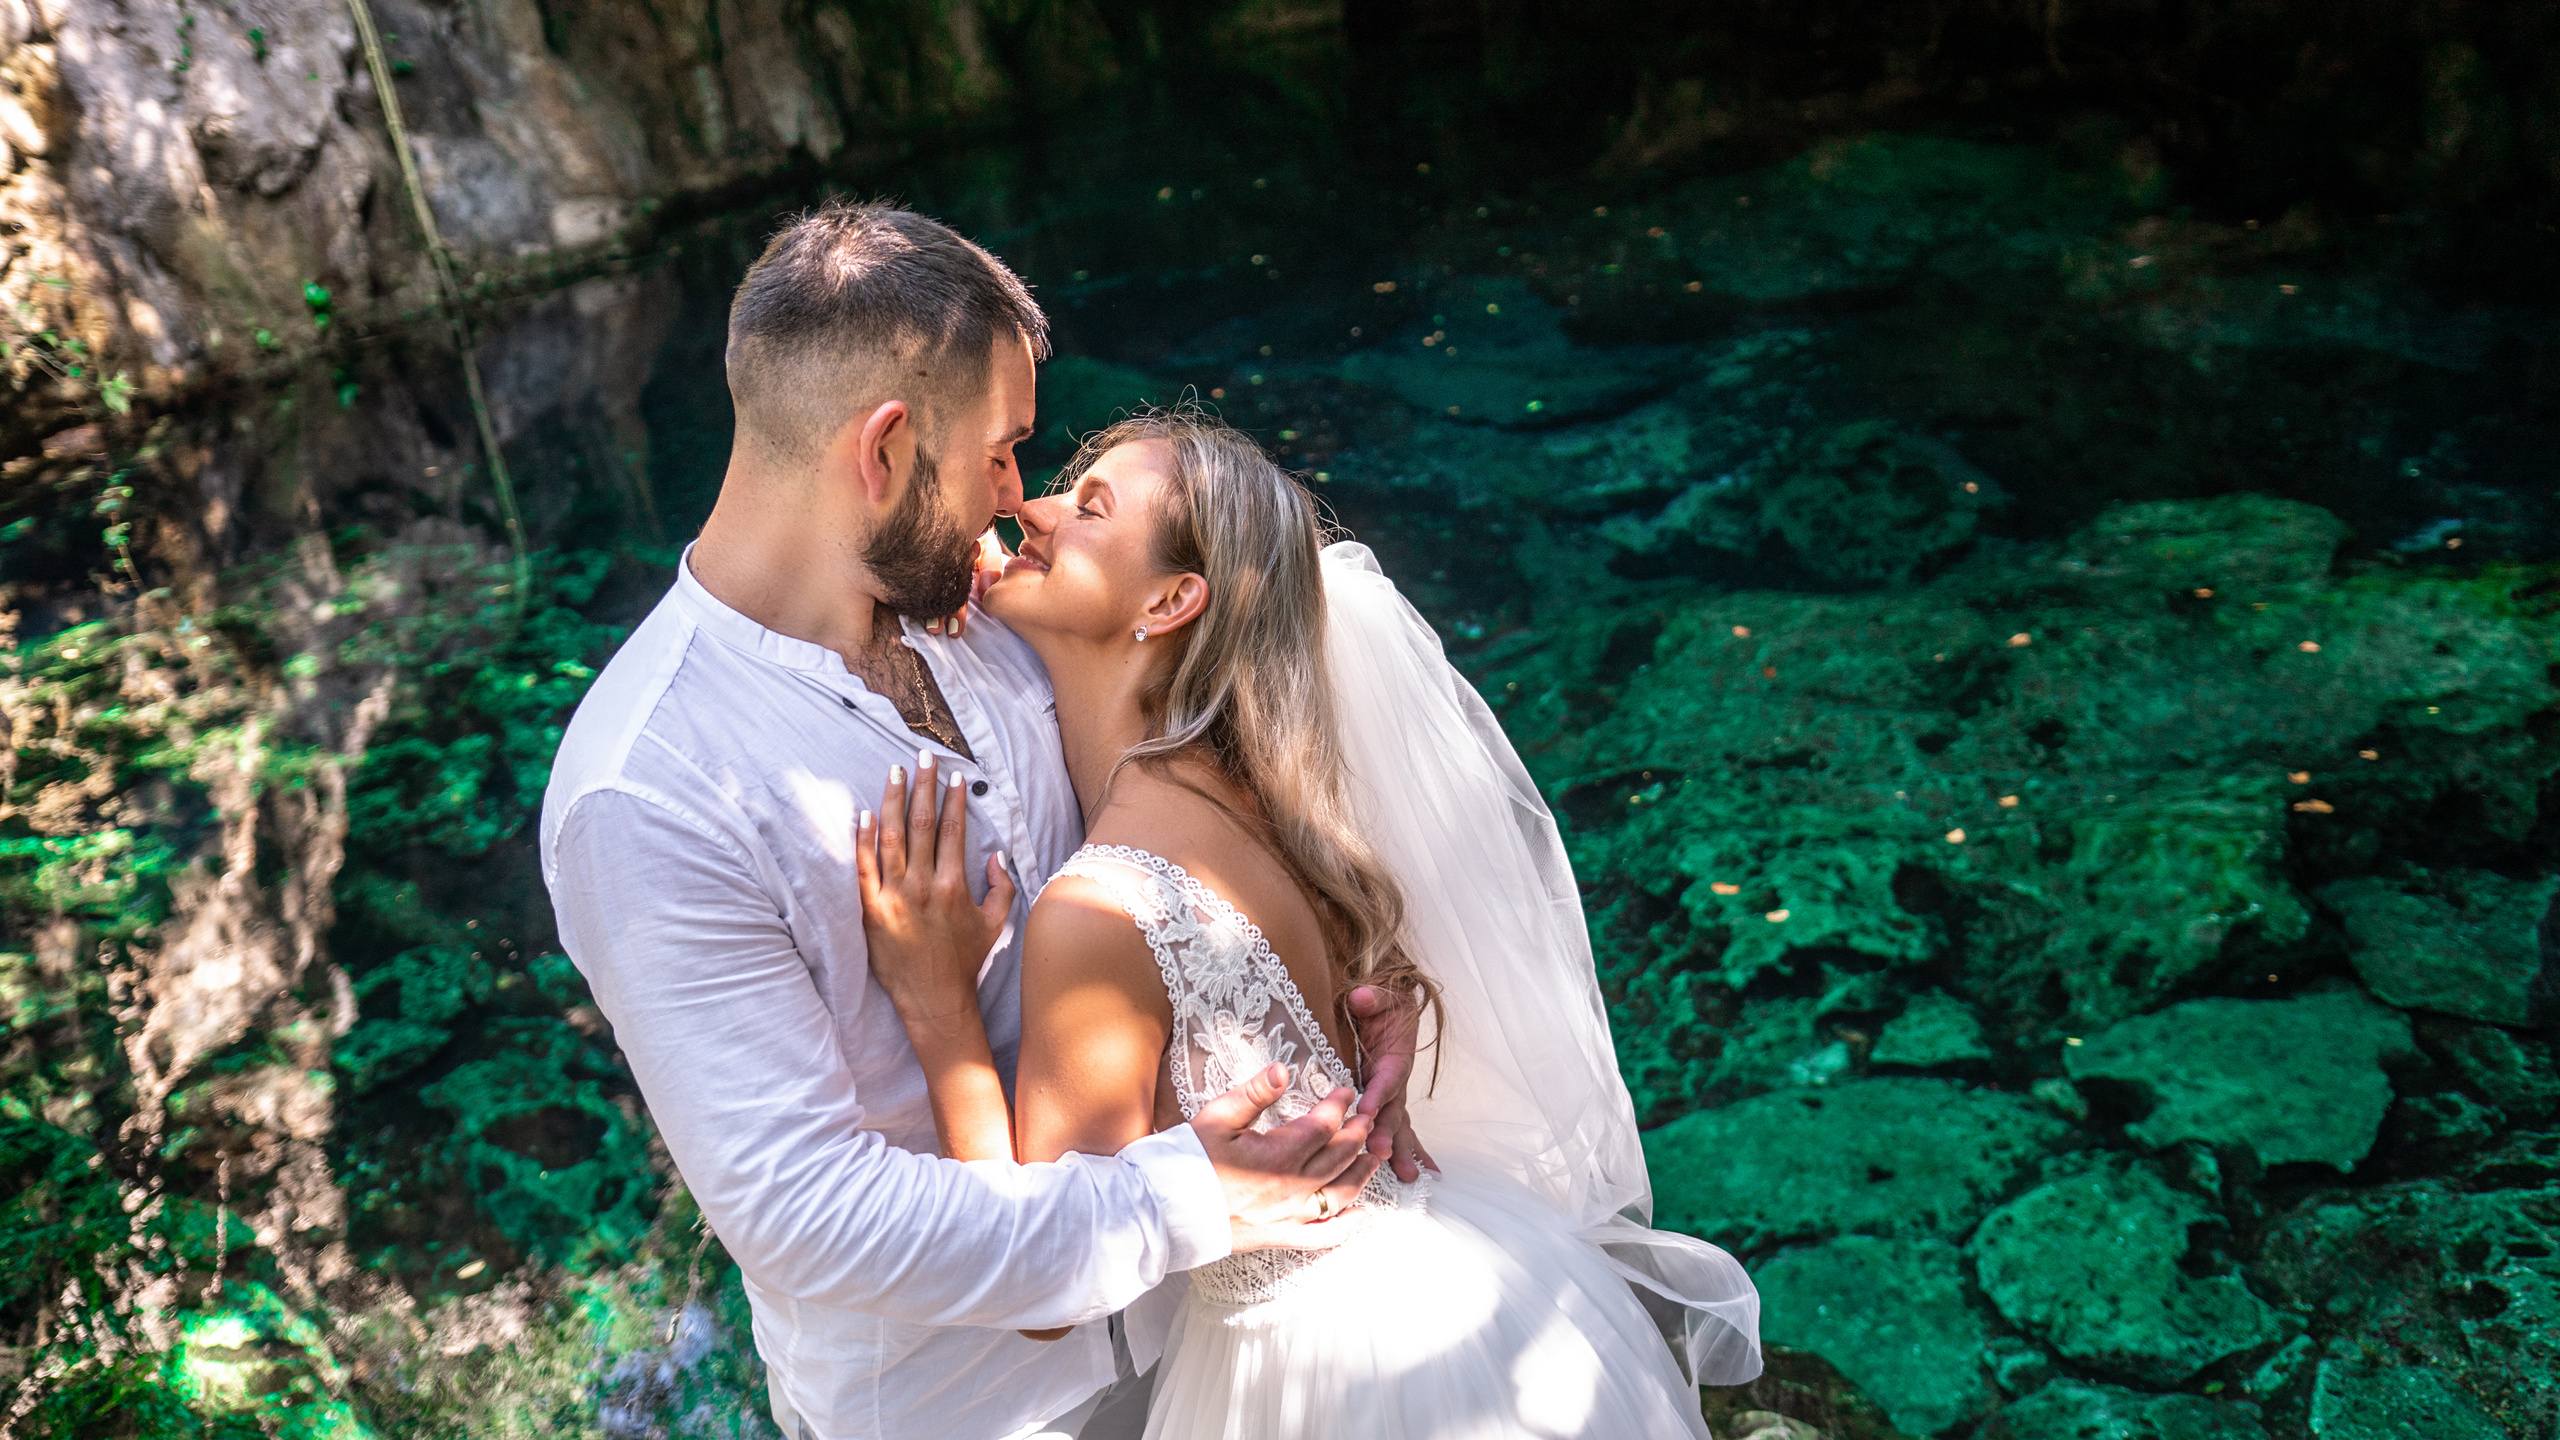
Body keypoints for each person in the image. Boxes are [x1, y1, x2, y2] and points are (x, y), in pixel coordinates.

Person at [538, 203, 1429, 1440]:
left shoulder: (996, 617)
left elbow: (1211, 778)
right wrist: (1191, 1198)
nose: (1017, 494)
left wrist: (1349, 984)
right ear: (885, 451)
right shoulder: (652, 793)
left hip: (1221, 1340)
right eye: (1001, 451)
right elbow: (804, 1213)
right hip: (972, 1408)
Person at [857, 409, 1763, 1440]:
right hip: (1463, 1283)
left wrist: (939, 1008)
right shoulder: (1271, 814)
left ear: (1171, 601)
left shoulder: (1101, 911)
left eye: (1090, 505)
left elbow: (1045, 1288)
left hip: (1328, 1373)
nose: (1032, 507)